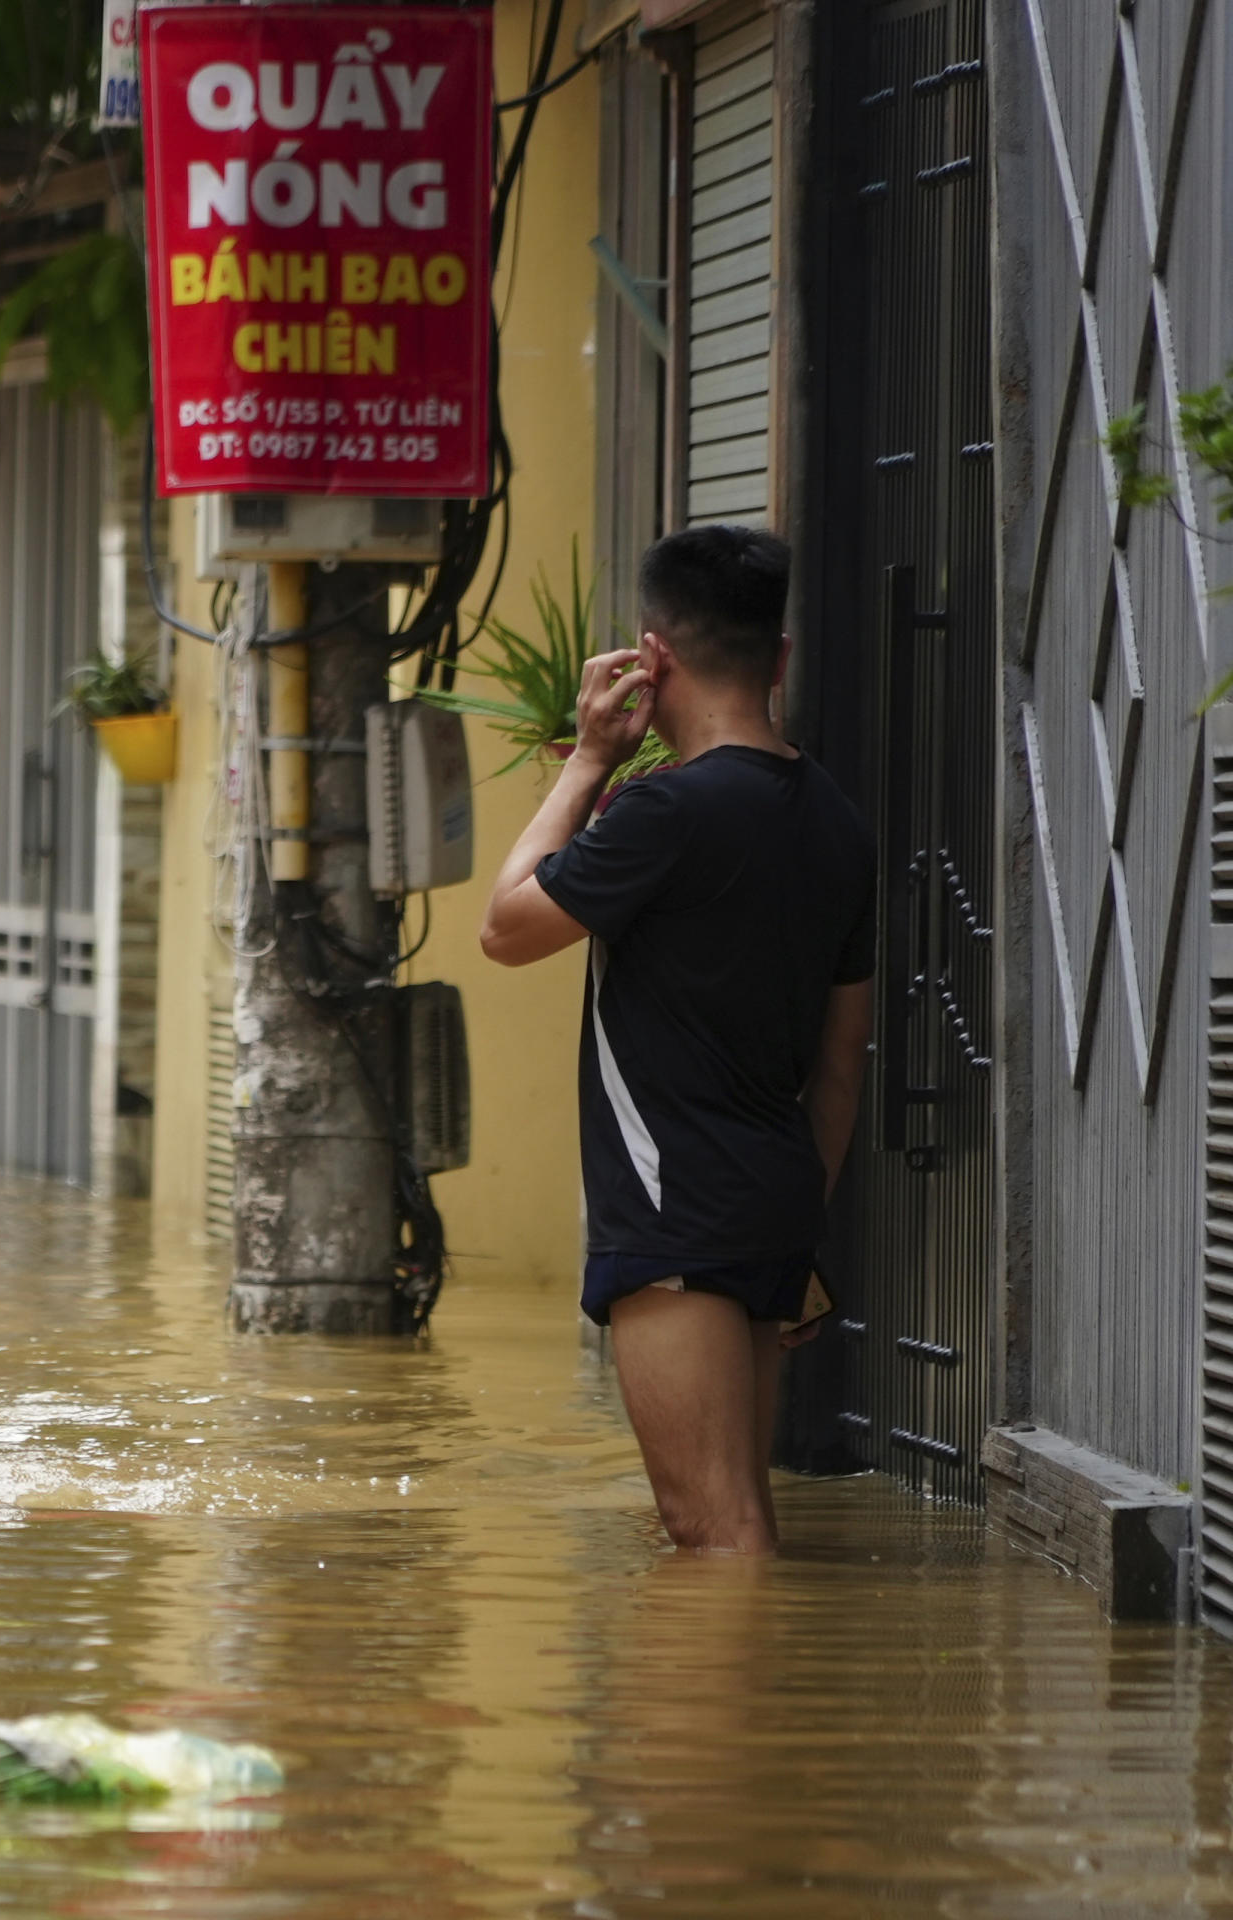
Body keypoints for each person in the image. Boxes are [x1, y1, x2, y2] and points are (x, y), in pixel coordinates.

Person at [476, 526, 874, 1555]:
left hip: (674, 1211)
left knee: (710, 1529)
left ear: (653, 658)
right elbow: (840, 1061)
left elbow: (505, 927)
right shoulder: (836, 820)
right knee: (741, 1517)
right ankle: (739, 1713)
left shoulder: (663, 812)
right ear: (777, 657)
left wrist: (590, 762)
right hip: (774, 1201)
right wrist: (797, 1223)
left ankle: (704, 1717)